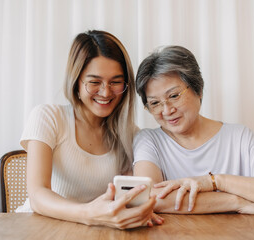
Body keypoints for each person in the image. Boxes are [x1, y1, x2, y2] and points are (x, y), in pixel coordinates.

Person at [133, 45, 254, 216]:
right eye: (155, 103)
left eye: (173, 96)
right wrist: (237, 202)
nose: (167, 110)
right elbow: (148, 197)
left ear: (198, 89)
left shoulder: (238, 137)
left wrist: (215, 181)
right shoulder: (148, 140)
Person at [16, 30, 163, 229]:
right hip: (39, 228)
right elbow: (37, 195)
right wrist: (88, 213)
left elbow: (128, 198)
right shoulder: (48, 117)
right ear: (76, 81)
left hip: (95, 230)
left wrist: (139, 210)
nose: (106, 92)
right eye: (94, 82)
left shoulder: (131, 135)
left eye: (116, 82)